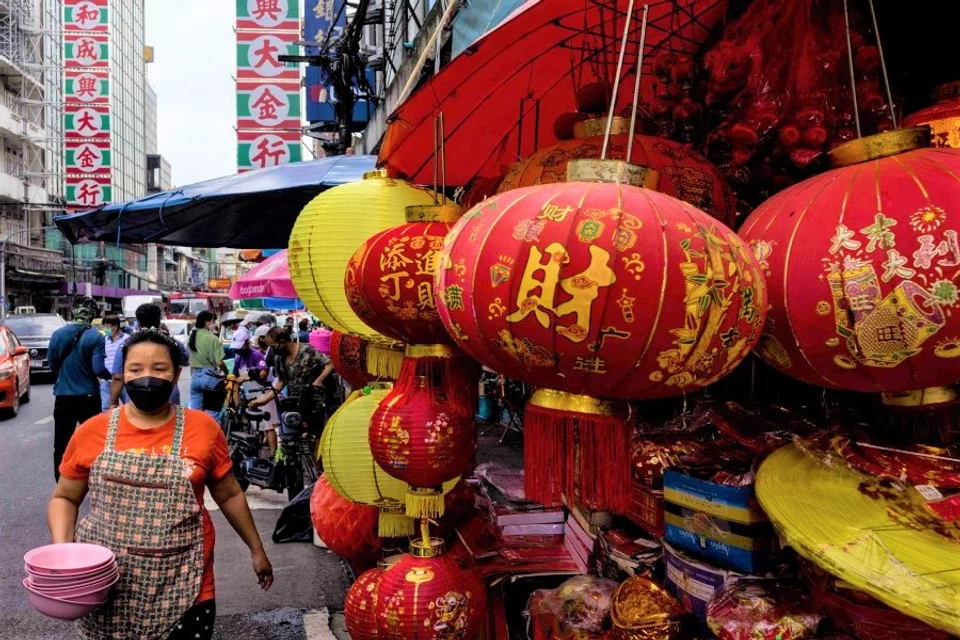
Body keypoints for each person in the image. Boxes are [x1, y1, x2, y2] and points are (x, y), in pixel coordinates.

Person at [49, 331, 273, 640]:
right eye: (136, 370)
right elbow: (65, 498)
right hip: (107, 586)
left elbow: (230, 494)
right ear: (123, 374)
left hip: (185, 583)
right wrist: (63, 553)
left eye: (159, 368)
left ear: (176, 374)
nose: (147, 377)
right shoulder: (92, 431)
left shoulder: (204, 429)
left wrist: (256, 550)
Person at [48, 296, 111, 482]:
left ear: (74, 311)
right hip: (89, 397)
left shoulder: (58, 335)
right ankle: (94, 479)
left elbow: (52, 364)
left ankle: (61, 481)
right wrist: (112, 376)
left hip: (64, 396)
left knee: (62, 442)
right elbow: (98, 369)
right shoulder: (96, 337)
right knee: (94, 440)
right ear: (92, 315)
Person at [248, 327, 334, 433]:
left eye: (274, 346)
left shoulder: (308, 350)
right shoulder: (279, 358)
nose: (273, 350)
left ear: (283, 341)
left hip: (315, 404)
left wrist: (319, 380)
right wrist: (263, 400)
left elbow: (329, 364)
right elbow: (280, 382)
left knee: (315, 435)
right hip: (295, 404)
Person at [110, 303, 189, 407]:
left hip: (135, 398)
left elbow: (117, 377)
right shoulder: (174, 343)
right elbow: (184, 360)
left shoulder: (126, 345)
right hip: (169, 397)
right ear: (159, 320)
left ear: (138, 322)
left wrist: (113, 403)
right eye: (136, 370)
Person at [231, 331, 277, 455]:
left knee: (269, 426)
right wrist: (237, 402)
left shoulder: (256, 355)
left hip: (264, 394)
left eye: (239, 347)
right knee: (257, 427)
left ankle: (273, 456)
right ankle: (258, 454)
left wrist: (247, 378)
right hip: (250, 397)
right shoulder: (238, 359)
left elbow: (263, 373)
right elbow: (235, 379)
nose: (237, 350)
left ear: (247, 343)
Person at [189, 310, 226, 417]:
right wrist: (225, 371)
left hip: (195, 377)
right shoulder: (212, 338)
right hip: (211, 377)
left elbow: (190, 361)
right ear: (206, 322)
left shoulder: (192, 337)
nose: (214, 323)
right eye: (213, 321)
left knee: (195, 415)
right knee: (213, 414)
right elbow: (219, 362)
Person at [100, 315, 128, 411]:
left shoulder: (127, 340)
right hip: (107, 381)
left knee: (129, 407)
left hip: (124, 381)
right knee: (106, 409)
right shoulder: (103, 341)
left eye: (107, 326)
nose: (105, 329)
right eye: (103, 326)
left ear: (115, 327)